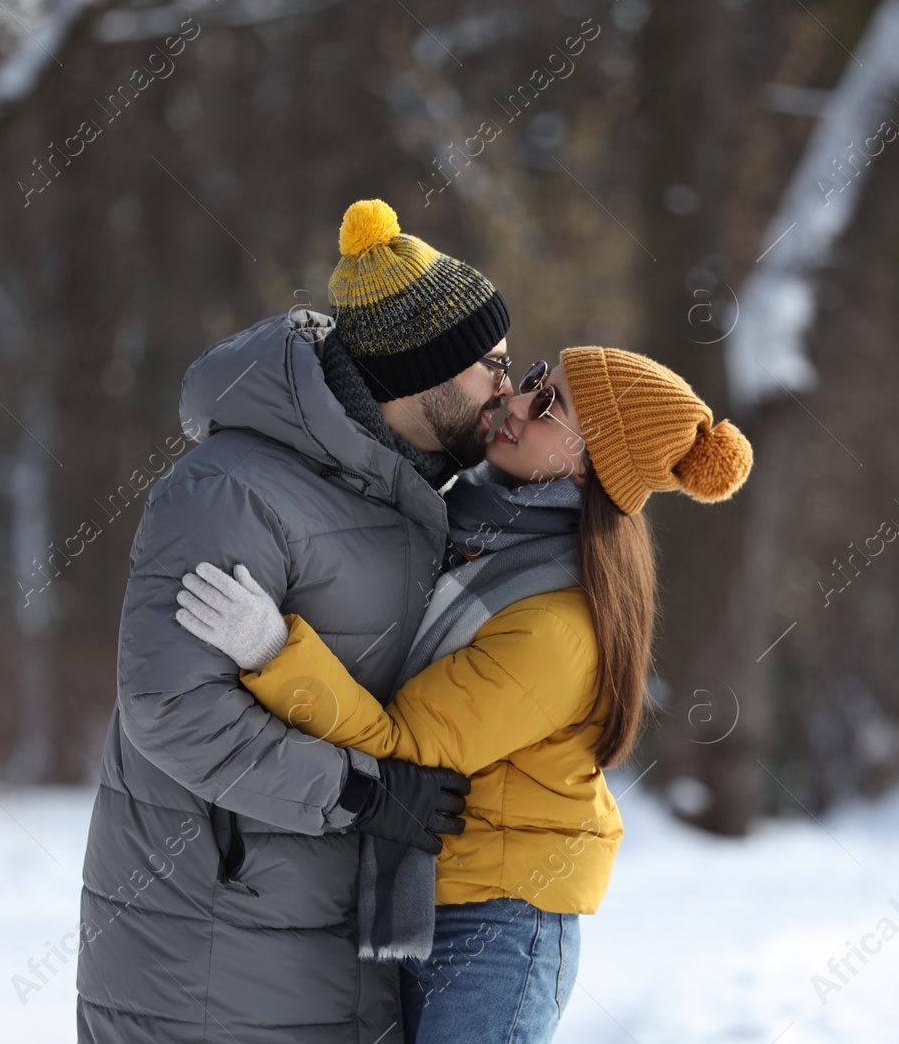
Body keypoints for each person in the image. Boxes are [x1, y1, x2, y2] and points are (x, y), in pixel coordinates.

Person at [174, 347, 754, 1043]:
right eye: (536, 380)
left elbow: (403, 749)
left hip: (497, 931)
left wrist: (274, 652)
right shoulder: (476, 531)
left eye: (548, 407)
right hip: (435, 900)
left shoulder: (556, 626)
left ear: (585, 464)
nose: (515, 404)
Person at [77, 199, 517, 1044]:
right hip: (211, 953)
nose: (508, 384)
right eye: (489, 363)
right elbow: (171, 706)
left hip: (331, 948)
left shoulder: (419, 493)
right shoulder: (232, 492)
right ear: (420, 373)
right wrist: (361, 792)